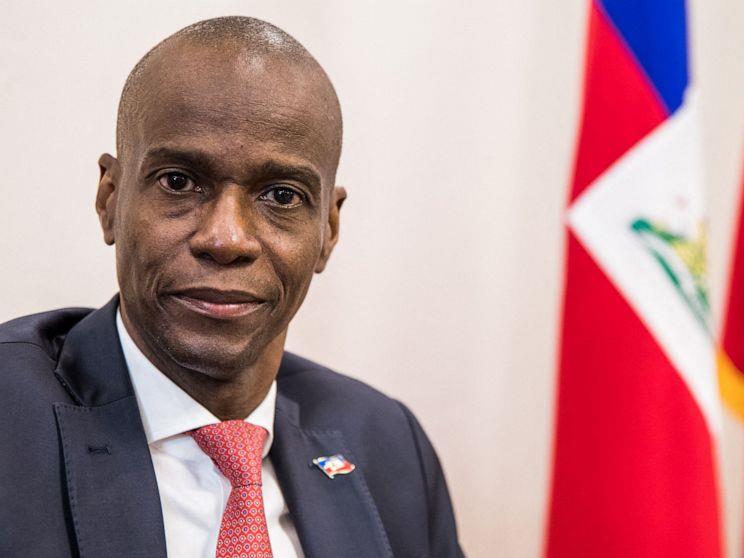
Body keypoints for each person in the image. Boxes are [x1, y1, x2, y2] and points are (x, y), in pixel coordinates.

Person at [0, 16, 462, 558]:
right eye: (179, 181)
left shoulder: (386, 443)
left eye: (282, 196)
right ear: (110, 200)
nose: (226, 239)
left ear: (328, 231)